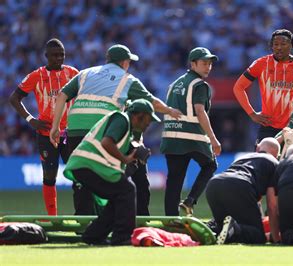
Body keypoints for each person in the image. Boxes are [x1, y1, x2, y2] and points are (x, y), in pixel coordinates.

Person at [50, 44, 182, 215]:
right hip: (103, 129)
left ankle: (84, 220)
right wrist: (170, 110)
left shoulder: (85, 73)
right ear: (124, 62)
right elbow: (152, 103)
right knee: (134, 165)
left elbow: (62, 96)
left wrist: (55, 127)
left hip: (75, 129)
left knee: (82, 178)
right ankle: (139, 214)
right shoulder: (127, 79)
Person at [63, 99, 160, 245]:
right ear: (138, 115)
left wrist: (131, 158)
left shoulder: (126, 128)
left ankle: (93, 236)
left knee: (119, 196)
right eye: (148, 119)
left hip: (86, 166)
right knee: (127, 189)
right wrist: (126, 159)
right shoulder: (121, 119)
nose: (149, 124)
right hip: (88, 165)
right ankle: (122, 237)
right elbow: (106, 142)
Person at [9, 38, 79, 216]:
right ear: (46, 56)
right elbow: (14, 98)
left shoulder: (73, 74)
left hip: (69, 133)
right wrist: (30, 119)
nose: (59, 58)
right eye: (55, 55)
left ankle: (83, 213)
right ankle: (52, 217)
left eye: (62, 55)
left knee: (80, 175)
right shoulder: (36, 76)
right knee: (49, 176)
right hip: (45, 133)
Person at [233, 29, 293, 143]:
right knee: (263, 159)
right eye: (275, 44)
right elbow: (238, 87)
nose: (279, 47)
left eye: (283, 44)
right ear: (271, 46)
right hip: (268, 126)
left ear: (291, 45)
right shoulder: (261, 64)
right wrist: (251, 114)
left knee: (292, 160)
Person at [160, 47, 221, 216]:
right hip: (192, 137)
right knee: (210, 165)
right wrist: (213, 139)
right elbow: (200, 111)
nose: (208, 67)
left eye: (210, 63)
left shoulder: (174, 84)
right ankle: (190, 201)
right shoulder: (200, 85)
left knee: (174, 180)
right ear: (193, 64)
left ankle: (171, 220)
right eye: (204, 63)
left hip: (171, 137)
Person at [206, 137, 280, 245]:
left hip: (214, 184)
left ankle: (204, 229)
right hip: (240, 185)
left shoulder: (244, 157)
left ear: (258, 148)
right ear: (276, 155)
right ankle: (235, 229)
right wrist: (276, 238)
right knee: (257, 235)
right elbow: (272, 204)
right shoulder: (274, 163)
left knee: (221, 228)